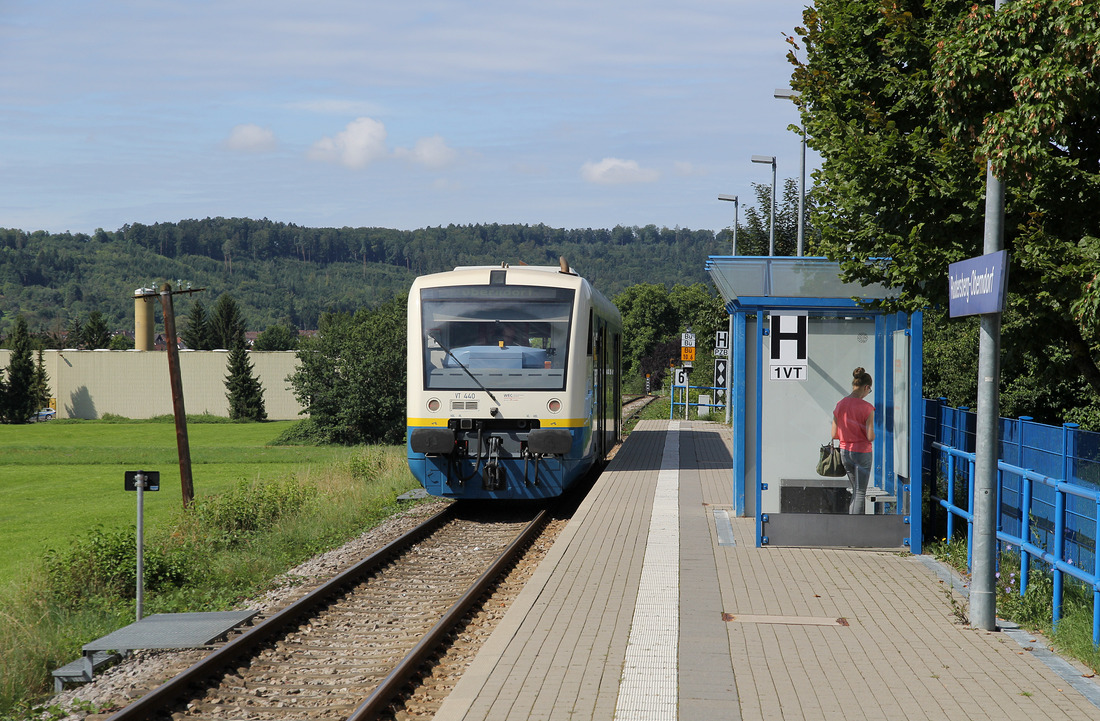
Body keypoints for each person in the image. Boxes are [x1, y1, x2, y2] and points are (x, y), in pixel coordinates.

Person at [831, 367, 874, 515]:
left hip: (845, 452)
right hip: (862, 453)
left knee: (856, 490)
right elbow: (870, 436)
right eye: (870, 390)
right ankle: (857, 527)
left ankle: (852, 525)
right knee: (860, 492)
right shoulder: (868, 408)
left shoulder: (840, 404)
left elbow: (834, 434)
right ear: (866, 387)